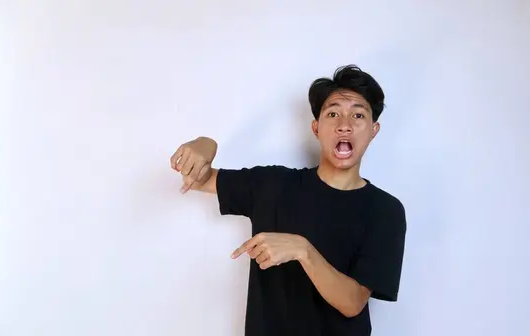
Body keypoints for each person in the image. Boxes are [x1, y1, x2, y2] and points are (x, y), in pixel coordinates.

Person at [170, 65, 407, 336]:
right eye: (333, 113)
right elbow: (200, 178)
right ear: (316, 128)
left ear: (374, 130)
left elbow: (352, 302)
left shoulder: (384, 210)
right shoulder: (273, 185)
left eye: (358, 115)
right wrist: (205, 143)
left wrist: (303, 250)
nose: (345, 125)